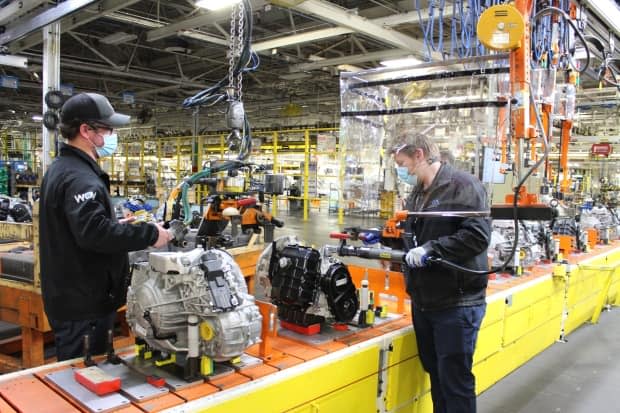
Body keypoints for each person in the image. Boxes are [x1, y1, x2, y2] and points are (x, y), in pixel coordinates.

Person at [39, 93, 172, 361]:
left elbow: (80, 226)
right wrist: (150, 234)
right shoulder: (79, 177)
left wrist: (115, 224)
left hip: (73, 295)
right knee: (84, 380)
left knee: (84, 371)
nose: (112, 135)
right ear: (86, 130)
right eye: (107, 129)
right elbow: (94, 234)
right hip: (83, 303)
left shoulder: (62, 168)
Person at [392, 132, 491, 413]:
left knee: (455, 381)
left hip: (456, 303)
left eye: (402, 162)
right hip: (425, 302)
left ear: (419, 156)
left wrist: (431, 249)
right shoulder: (417, 194)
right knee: (437, 375)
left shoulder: (463, 186)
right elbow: (416, 234)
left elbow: (476, 237)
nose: (400, 170)